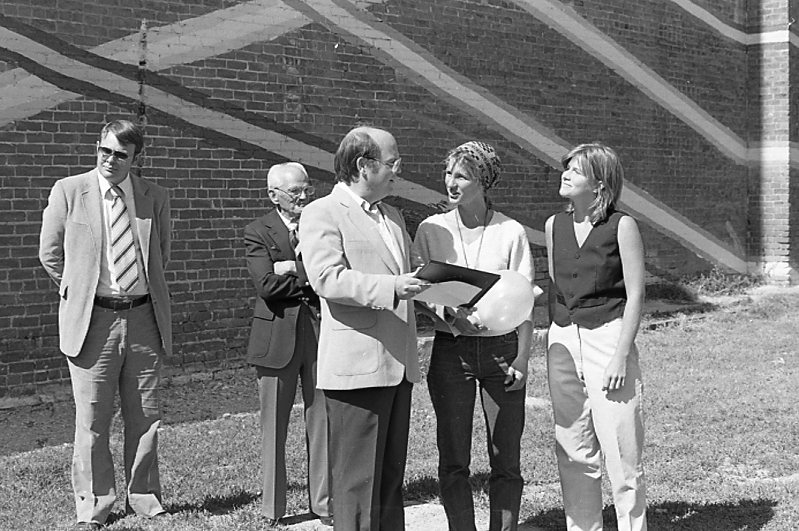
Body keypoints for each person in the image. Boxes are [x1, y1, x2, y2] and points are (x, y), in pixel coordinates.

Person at [38, 120, 171, 530]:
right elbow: (50, 253)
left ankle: (145, 499)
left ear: (136, 159)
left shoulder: (154, 197)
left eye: (121, 155)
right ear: (97, 148)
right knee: (93, 418)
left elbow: (160, 255)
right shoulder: (69, 191)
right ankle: (95, 504)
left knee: (145, 415)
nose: (110, 160)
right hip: (92, 318)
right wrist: (78, 292)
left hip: (144, 316)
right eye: (105, 151)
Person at [299, 126, 429, 530]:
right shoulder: (322, 212)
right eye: (392, 164)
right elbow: (327, 279)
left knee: (390, 481)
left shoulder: (391, 215)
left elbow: (407, 281)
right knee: (357, 486)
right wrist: (392, 287)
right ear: (363, 165)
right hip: (356, 370)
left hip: (397, 365)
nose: (398, 172)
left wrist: (445, 305)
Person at [411, 141, 536, 531]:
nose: (451, 182)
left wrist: (522, 359)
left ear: (483, 180)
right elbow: (418, 290)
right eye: (448, 173)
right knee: (453, 457)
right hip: (452, 351)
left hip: (503, 351)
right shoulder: (431, 230)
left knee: (506, 458)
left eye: (461, 175)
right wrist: (447, 314)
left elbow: (526, 300)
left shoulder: (510, 232)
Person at [545, 142, 647, 530]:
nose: (565, 174)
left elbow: (636, 294)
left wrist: (621, 354)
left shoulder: (622, 226)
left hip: (608, 337)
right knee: (573, 447)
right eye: (566, 167)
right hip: (563, 340)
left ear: (600, 184)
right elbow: (557, 284)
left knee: (623, 451)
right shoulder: (554, 224)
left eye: (576, 170)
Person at [243, 162, 332, 527]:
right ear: (273, 195)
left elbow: (333, 274)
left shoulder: (321, 224)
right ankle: (273, 509)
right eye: (295, 191)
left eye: (307, 188)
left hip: (320, 333)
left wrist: (292, 269)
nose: (303, 196)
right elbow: (265, 286)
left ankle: (324, 505)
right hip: (275, 336)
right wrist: (308, 275)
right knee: (274, 426)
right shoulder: (256, 230)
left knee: (323, 420)